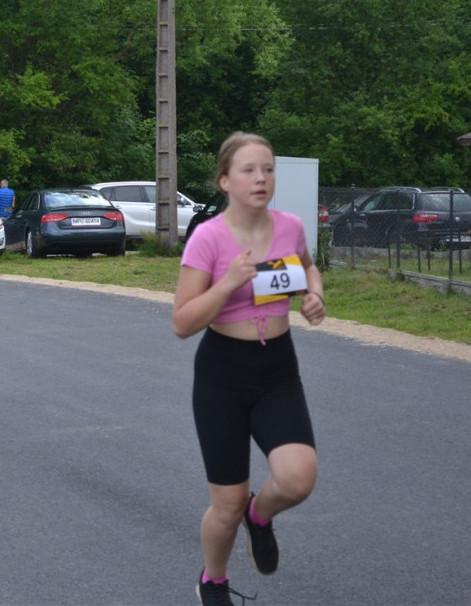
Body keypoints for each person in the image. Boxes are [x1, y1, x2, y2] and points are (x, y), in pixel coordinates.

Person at [171, 132, 325, 606]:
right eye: (249, 170)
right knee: (226, 503)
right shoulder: (208, 238)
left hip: (277, 368)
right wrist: (228, 284)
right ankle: (213, 581)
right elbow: (181, 322)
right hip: (223, 375)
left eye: (268, 169)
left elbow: (306, 266)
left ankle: (261, 515)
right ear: (224, 181)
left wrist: (315, 295)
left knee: (299, 478)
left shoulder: (290, 226)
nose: (261, 178)